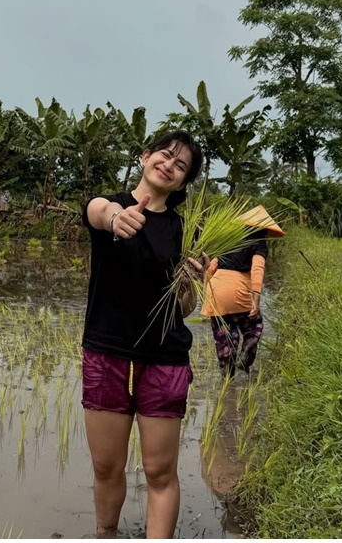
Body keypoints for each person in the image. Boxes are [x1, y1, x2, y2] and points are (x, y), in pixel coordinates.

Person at [79, 130, 209, 539]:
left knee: (158, 470)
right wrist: (117, 219)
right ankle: (106, 532)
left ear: (183, 182)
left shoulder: (185, 232)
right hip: (107, 352)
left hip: (164, 357)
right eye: (165, 155)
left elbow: (185, 308)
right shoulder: (111, 207)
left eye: (181, 165)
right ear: (144, 156)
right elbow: (96, 211)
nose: (169, 164)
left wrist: (190, 281)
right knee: (106, 465)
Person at [200, 205, 284, 377]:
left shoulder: (229, 241)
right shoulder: (260, 243)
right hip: (238, 292)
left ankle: (226, 379)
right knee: (254, 325)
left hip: (215, 291)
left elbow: (210, 269)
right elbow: (257, 270)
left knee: (225, 337)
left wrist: (206, 293)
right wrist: (256, 300)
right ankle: (246, 354)